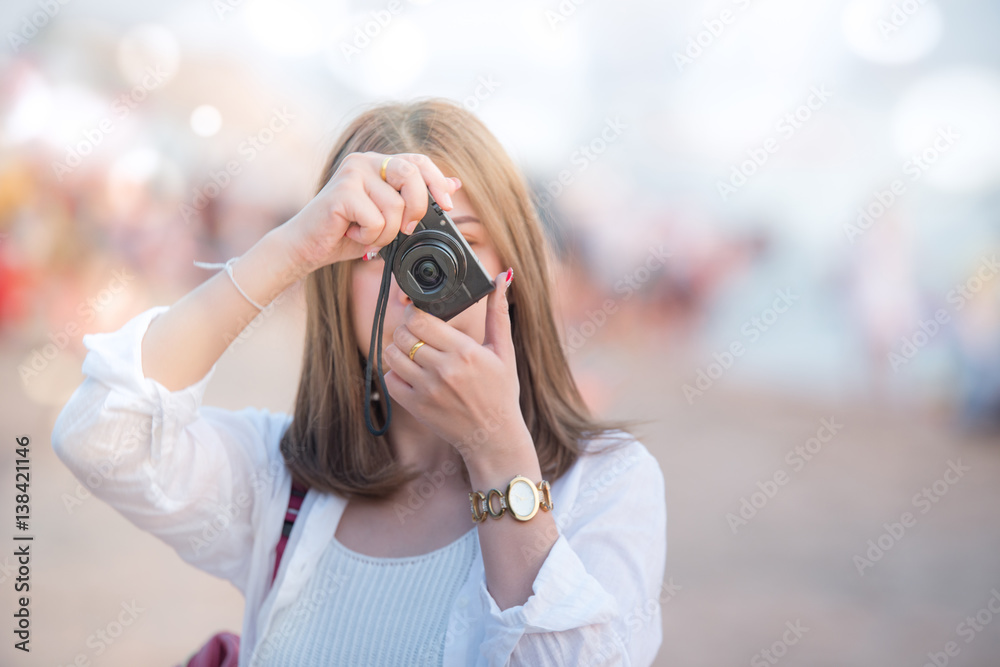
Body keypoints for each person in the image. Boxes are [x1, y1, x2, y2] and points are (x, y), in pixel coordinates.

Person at [51, 98, 668, 667]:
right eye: (379, 252)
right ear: (335, 283)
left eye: (456, 242)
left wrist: (495, 447)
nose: (416, 283)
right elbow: (102, 436)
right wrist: (289, 248)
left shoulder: (609, 483)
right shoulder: (284, 482)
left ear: (513, 272)